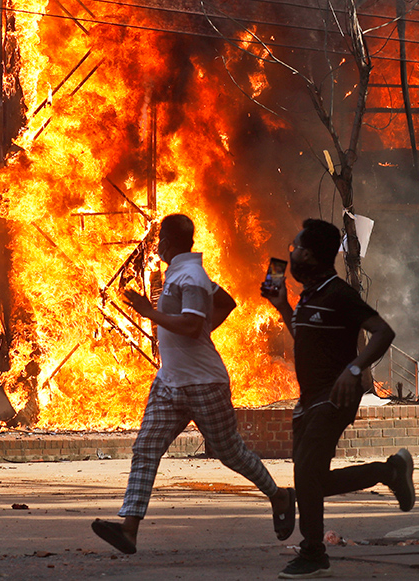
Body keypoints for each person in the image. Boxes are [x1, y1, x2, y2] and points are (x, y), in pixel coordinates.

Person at [92, 213, 296, 555]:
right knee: (146, 448)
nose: (157, 246)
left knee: (231, 453)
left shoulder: (190, 277)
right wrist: (203, 331)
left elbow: (188, 326)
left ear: (169, 243)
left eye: (159, 241)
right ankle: (129, 529)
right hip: (170, 382)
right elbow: (226, 303)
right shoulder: (183, 273)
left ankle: (279, 495)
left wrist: (148, 311)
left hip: (204, 383)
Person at [260, 218, 415, 579]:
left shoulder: (339, 293)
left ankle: (313, 552)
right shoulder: (310, 295)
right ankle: (390, 471)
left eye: (295, 249)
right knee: (312, 482)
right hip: (309, 399)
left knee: (305, 474)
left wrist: (356, 369)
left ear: (311, 255)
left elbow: (382, 331)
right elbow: (308, 341)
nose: (291, 254)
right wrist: (284, 307)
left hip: (335, 397)